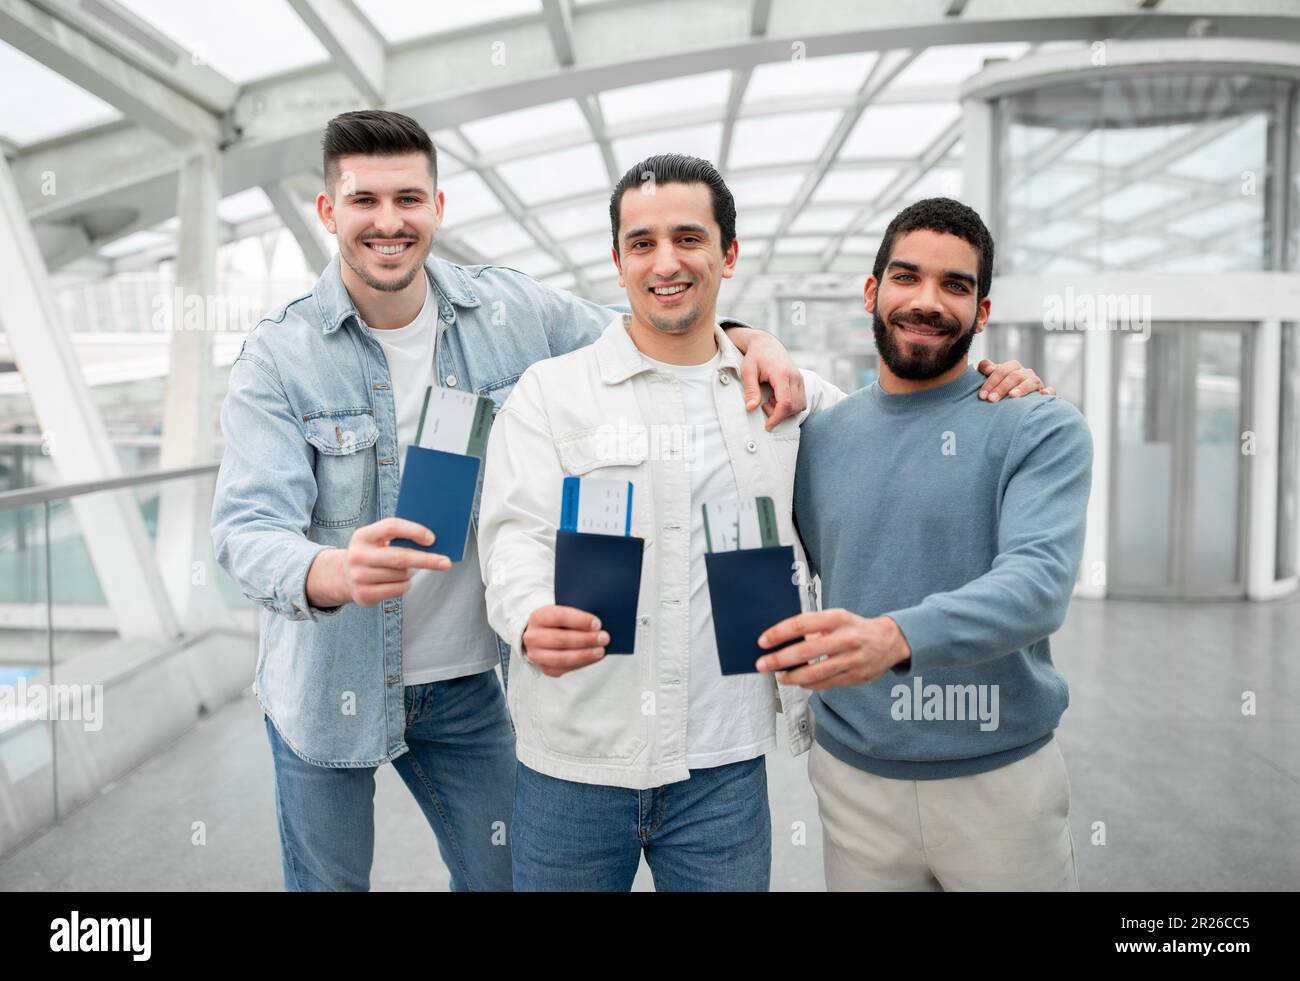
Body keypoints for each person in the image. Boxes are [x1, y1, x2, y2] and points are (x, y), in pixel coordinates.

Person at [210, 112, 809, 892]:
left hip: (466, 683)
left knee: (501, 876)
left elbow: (652, 325)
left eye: (409, 198)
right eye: (364, 201)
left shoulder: (508, 312)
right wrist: (332, 570)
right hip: (330, 681)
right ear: (330, 212)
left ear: (438, 207)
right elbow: (245, 530)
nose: (388, 221)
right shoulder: (279, 356)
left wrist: (750, 334)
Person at [476, 158, 1048, 891]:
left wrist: (995, 390)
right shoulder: (552, 394)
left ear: (729, 254)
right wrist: (527, 618)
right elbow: (513, 533)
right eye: (642, 243)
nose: (667, 261)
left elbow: (908, 417)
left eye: (689, 237)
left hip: (724, 771)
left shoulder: (790, 398)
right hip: (575, 762)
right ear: (617, 262)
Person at [757, 197, 1092, 891]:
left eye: (956, 285)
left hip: (1000, 782)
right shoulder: (816, 440)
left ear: (984, 311)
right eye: (907, 277)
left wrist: (895, 637)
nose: (927, 301)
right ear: (873, 291)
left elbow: (1037, 585)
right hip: (853, 781)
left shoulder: (1037, 426)